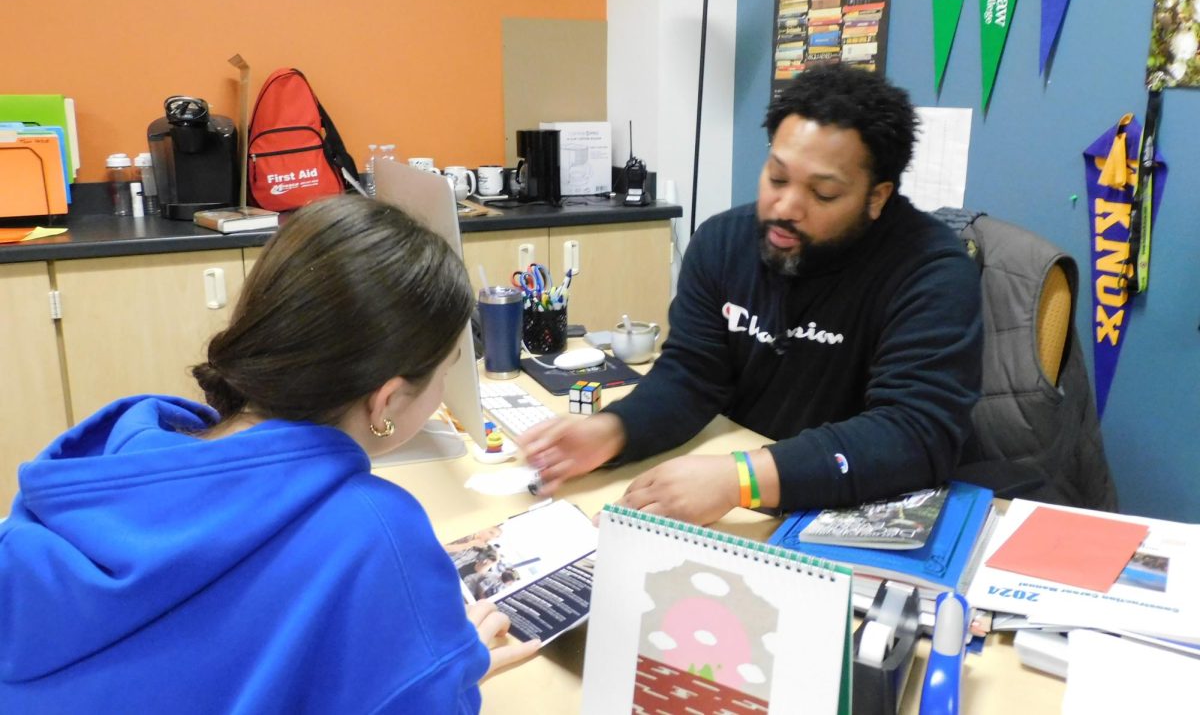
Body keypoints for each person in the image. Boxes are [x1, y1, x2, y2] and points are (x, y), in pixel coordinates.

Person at [0, 195, 538, 713]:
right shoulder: (374, 533)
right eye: (445, 372)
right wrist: (440, 670)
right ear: (388, 400)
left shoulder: (116, 457)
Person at [522, 63, 983, 525]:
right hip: (749, 491)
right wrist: (612, 431)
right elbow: (692, 376)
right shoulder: (724, 243)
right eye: (777, 178)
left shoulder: (930, 271)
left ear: (877, 197)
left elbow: (913, 436)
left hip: (851, 509)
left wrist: (739, 479)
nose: (785, 207)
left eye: (822, 194)